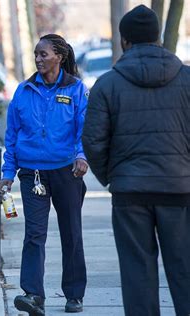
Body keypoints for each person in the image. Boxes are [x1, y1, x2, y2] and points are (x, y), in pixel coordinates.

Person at [82, 5, 190, 316]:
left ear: (124, 41)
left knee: (137, 274)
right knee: (185, 271)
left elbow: (93, 141)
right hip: (180, 189)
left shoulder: (107, 84)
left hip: (130, 192)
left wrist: (113, 176)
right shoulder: (186, 79)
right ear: (158, 39)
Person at [0, 34, 89, 315]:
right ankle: (33, 295)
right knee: (34, 235)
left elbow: (83, 129)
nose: (38, 59)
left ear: (59, 57)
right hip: (32, 174)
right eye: (36, 55)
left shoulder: (76, 89)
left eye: (44, 54)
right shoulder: (24, 91)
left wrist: (81, 156)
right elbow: (11, 136)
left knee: (71, 233)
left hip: (66, 172)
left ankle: (74, 295)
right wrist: (7, 173)